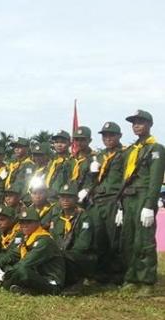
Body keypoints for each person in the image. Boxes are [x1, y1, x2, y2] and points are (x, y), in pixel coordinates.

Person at [117, 109, 164, 294]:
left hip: (144, 197)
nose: (136, 126)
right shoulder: (130, 150)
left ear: (149, 125)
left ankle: (146, 281)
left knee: (144, 240)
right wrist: (120, 205)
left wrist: (149, 205)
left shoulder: (156, 149)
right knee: (128, 239)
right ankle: (131, 277)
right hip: (128, 198)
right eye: (134, 123)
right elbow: (124, 178)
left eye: (141, 122)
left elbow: (156, 179)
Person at [86, 121, 125, 284]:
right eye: (105, 136)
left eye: (111, 135)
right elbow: (94, 180)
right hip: (97, 200)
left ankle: (117, 275)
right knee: (98, 237)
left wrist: (122, 203)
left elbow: (128, 178)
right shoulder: (99, 156)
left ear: (119, 136)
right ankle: (100, 273)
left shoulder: (125, 154)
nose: (107, 138)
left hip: (113, 200)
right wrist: (92, 175)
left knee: (114, 239)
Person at [0, 207, 66, 295]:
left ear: (38, 223)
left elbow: (26, 263)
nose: (24, 225)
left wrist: (4, 275)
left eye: (28, 222)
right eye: (22, 222)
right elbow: (12, 255)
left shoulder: (44, 240)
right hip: (36, 275)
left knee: (22, 271)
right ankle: (24, 289)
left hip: (50, 281)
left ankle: (7, 283)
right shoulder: (27, 238)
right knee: (8, 267)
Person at [50, 184, 95, 292]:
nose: (65, 200)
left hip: (81, 258)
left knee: (66, 258)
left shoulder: (84, 218)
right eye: (62, 197)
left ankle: (77, 283)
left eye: (69, 197)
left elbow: (82, 246)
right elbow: (52, 239)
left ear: (76, 199)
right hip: (60, 256)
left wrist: (61, 254)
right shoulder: (56, 219)